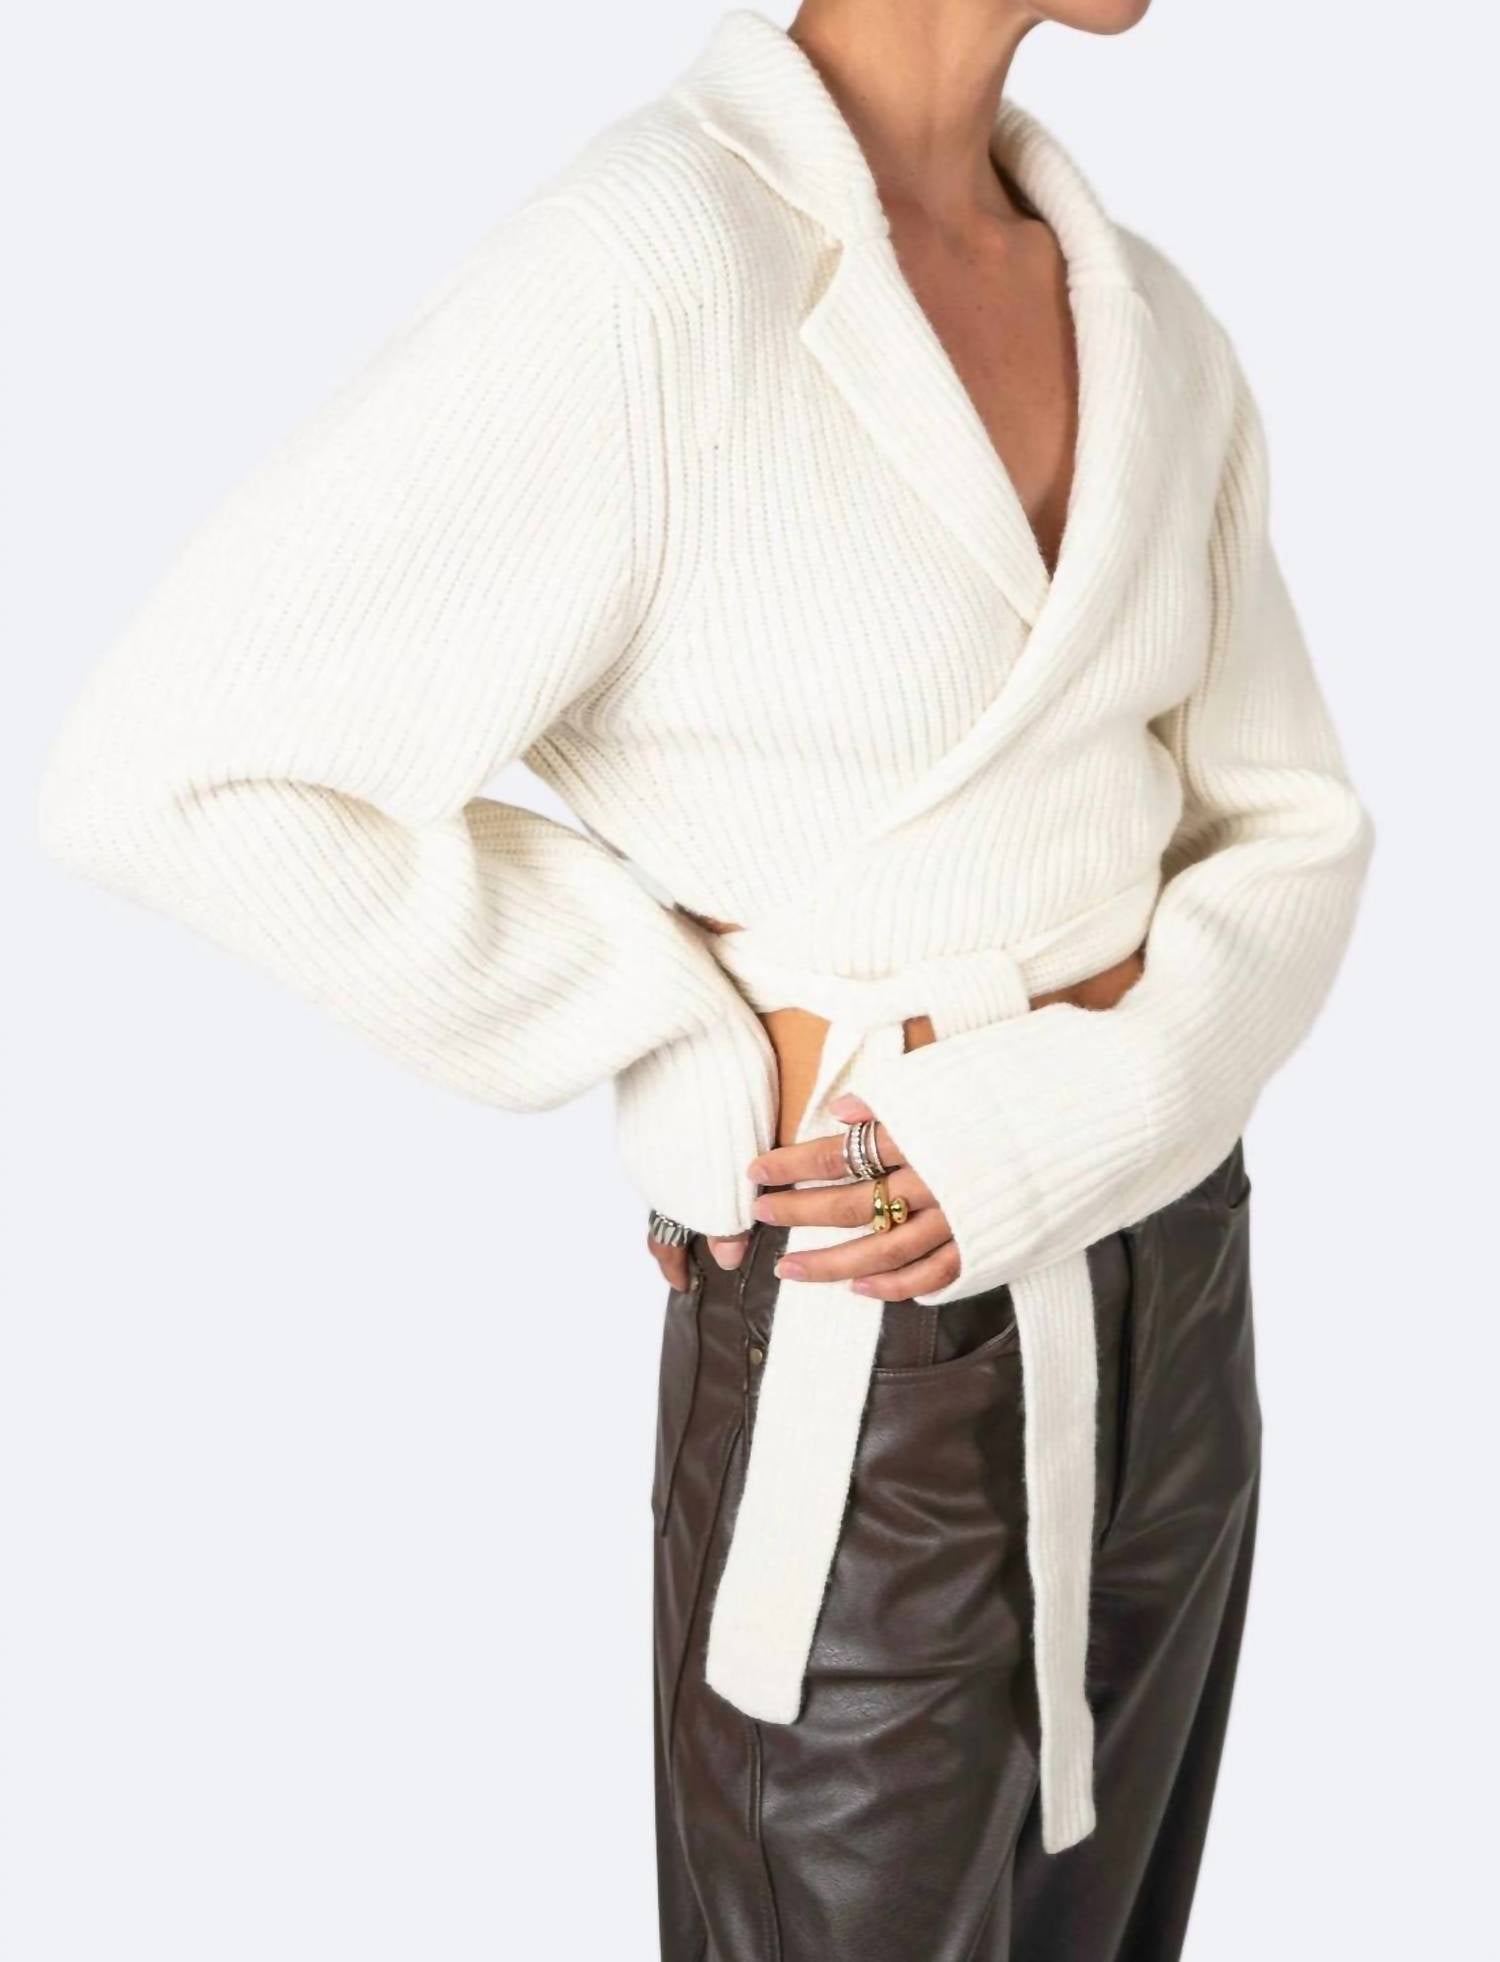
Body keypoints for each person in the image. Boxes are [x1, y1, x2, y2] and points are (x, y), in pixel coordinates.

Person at [38, 4, 1374, 1956]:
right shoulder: (652, 269)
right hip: (878, 1351)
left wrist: (1106, 1108)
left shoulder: (1150, 319)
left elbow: (1291, 823)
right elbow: (174, 763)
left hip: (1176, 1293)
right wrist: (664, 1021)